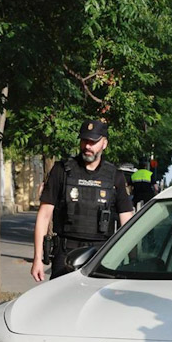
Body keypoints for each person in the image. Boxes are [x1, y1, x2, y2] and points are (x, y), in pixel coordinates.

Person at [30, 120, 134, 281]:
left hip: (101, 256)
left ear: (104, 144)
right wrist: (37, 258)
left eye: (93, 142)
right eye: (85, 140)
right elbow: (44, 216)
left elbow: (127, 222)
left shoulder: (115, 176)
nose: (88, 146)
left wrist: (130, 262)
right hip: (65, 253)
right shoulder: (61, 171)